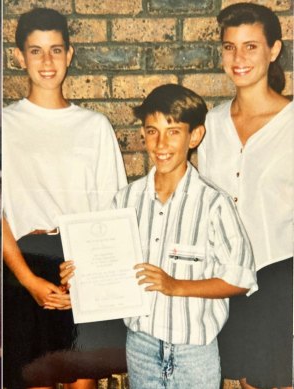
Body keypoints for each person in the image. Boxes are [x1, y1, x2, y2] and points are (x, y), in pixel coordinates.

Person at [62, 84, 258, 388]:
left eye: (173, 131)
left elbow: (241, 278)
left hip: (195, 352)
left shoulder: (214, 204)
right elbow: (110, 267)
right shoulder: (125, 200)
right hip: (141, 348)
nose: (161, 143)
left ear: (195, 136)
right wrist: (79, 274)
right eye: (152, 131)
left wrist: (175, 285)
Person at [2, 8, 128, 389]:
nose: (47, 61)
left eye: (56, 50)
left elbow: (113, 210)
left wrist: (88, 277)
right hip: (26, 264)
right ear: (20, 57)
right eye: (36, 51)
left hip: (80, 266)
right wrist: (28, 280)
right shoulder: (5, 125)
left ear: (69, 55)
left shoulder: (94, 127)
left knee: (82, 381)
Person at [197, 3, 293, 388]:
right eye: (229, 47)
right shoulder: (210, 125)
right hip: (225, 280)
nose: (238, 58)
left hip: (281, 276)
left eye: (250, 46)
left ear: (274, 50)